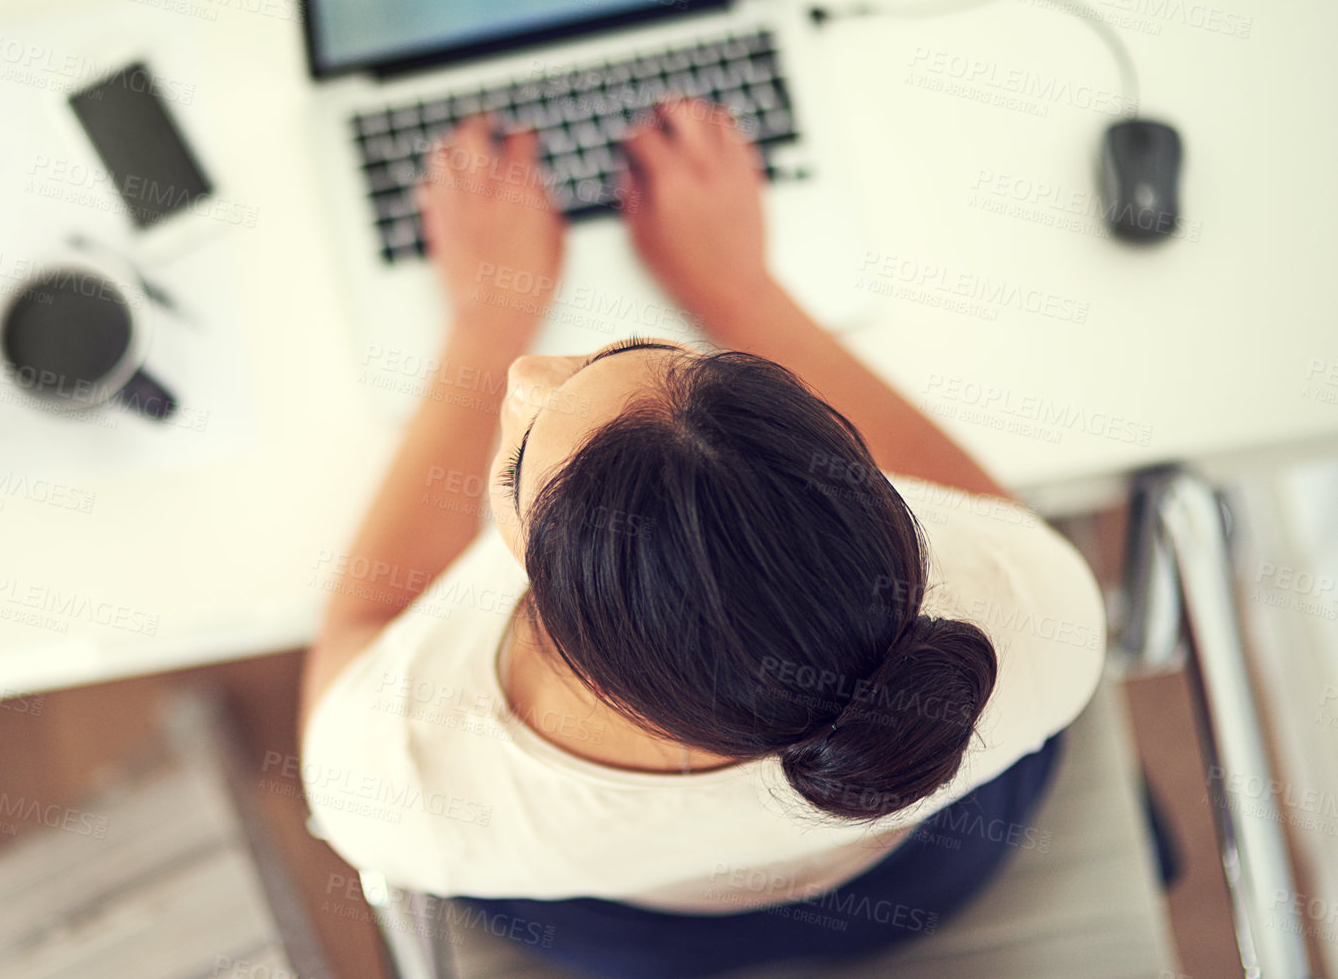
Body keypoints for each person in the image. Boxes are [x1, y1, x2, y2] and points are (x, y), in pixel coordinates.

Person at [298, 99, 1106, 978]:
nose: (528, 375)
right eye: (633, 353)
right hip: (927, 873)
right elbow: (971, 505)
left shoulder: (397, 784)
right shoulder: (1037, 608)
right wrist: (739, 290)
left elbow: (364, 622)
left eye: (521, 456)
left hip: (647, 936)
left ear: (567, 633)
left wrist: (490, 315)